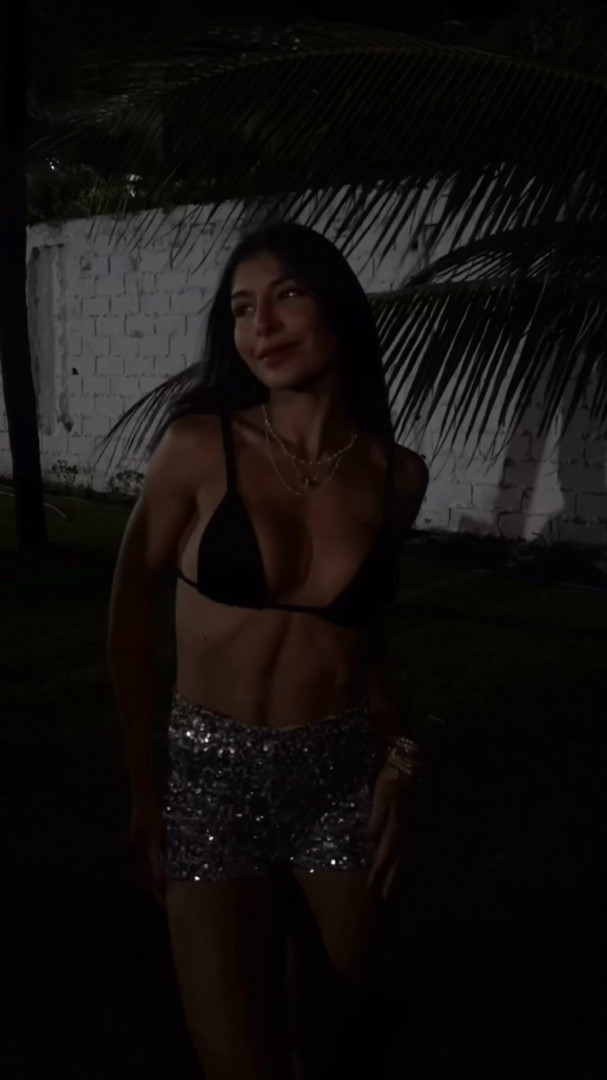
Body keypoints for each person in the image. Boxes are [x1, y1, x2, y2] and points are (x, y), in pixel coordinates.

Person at [105, 220, 429, 1079]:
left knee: (335, 1014)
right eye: (243, 309)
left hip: (338, 778)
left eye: (287, 296)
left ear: (337, 311)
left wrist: (397, 758)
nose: (263, 326)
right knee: (235, 1061)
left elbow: (360, 643)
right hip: (212, 777)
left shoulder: (397, 476)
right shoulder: (197, 447)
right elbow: (129, 613)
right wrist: (145, 785)